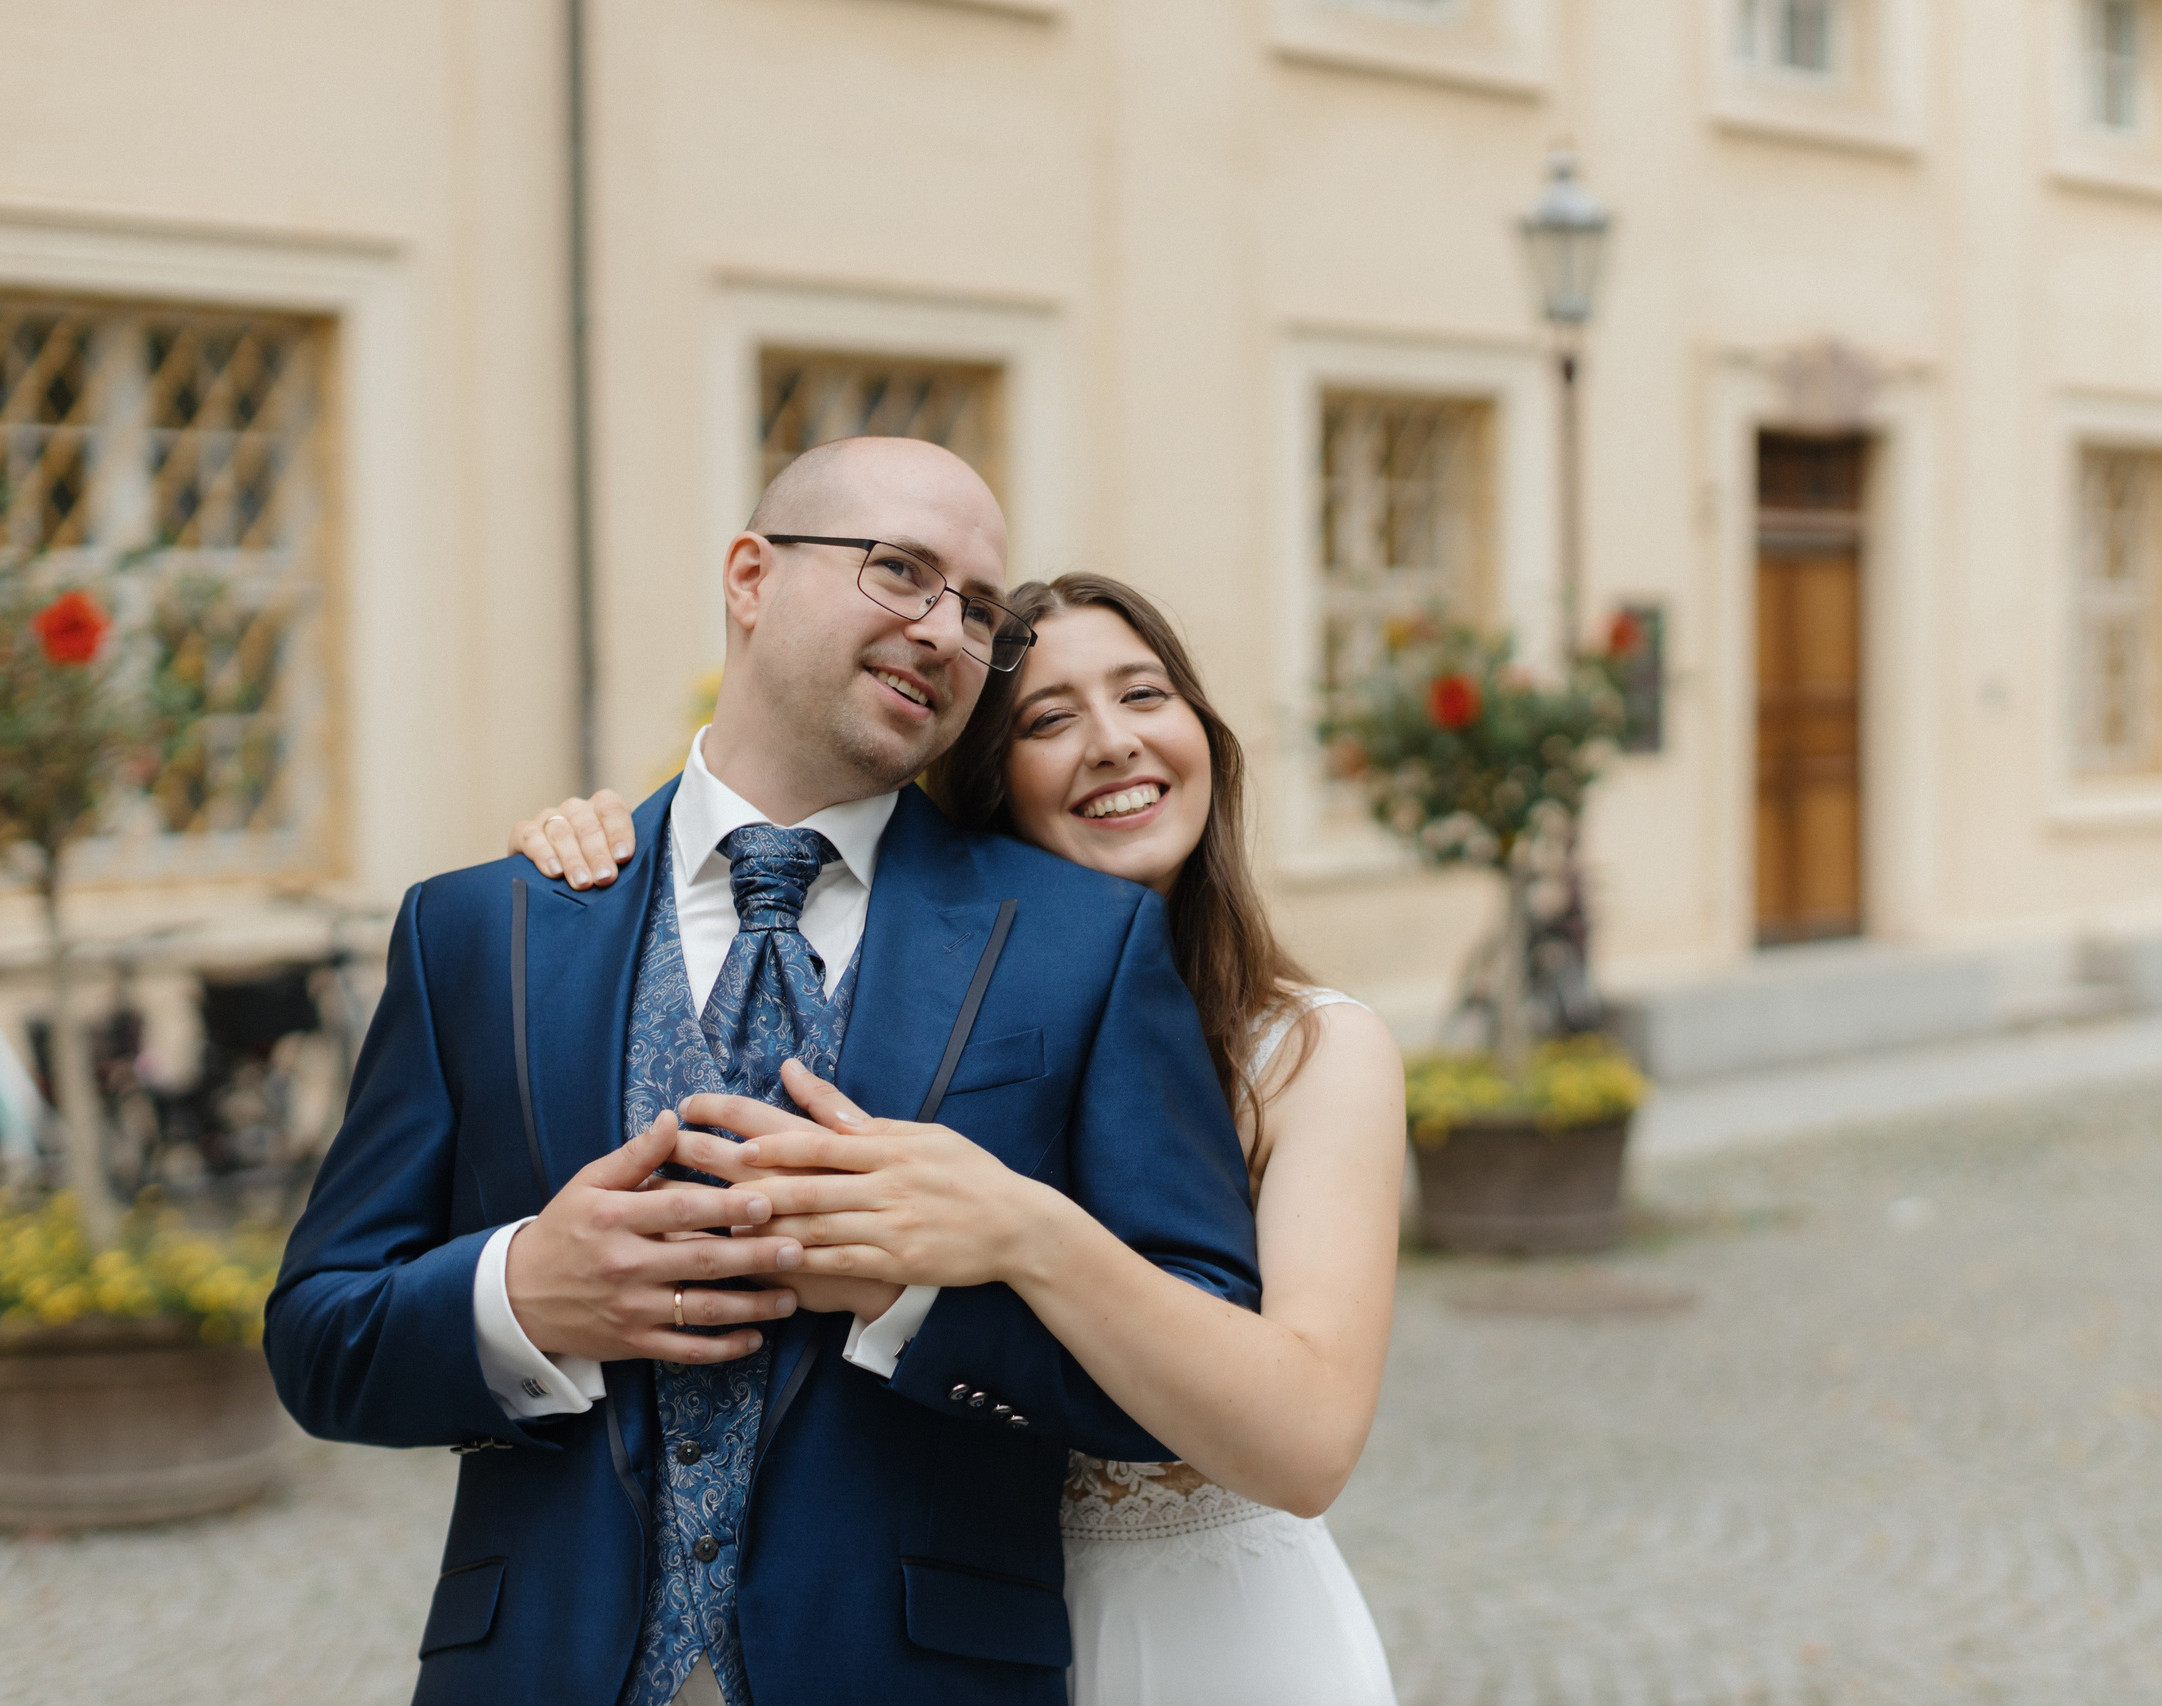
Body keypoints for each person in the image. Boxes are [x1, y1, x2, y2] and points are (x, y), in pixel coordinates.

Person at [265, 438, 1265, 1706]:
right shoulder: (479, 929)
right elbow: (316, 1339)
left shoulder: (1082, 940)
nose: (944, 630)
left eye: (973, 609)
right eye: (899, 570)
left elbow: (1200, 1346)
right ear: (749, 575)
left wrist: (917, 1303)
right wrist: (523, 1293)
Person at [513, 573, 1407, 1705]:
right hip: (941, 1643)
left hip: (1204, 1635)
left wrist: (1025, 1227)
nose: (1113, 742)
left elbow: (1309, 1443)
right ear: (980, 782)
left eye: (1144, 693)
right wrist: (611, 851)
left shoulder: (1310, 1051)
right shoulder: (886, 998)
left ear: (1206, 736)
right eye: (1047, 718)